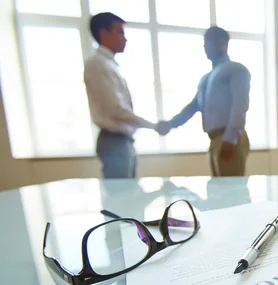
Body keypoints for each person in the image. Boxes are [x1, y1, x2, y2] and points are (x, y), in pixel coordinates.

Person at [157, 26, 251, 177]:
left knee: (232, 192)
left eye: (208, 43)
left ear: (222, 43)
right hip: (214, 140)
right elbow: (193, 107)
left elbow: (240, 105)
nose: (205, 47)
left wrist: (230, 139)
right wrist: (170, 124)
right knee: (218, 192)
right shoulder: (206, 78)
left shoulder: (236, 70)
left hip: (229, 137)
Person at [84, 12, 159, 179]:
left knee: (129, 195)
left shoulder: (109, 65)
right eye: (120, 32)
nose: (124, 39)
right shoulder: (98, 65)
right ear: (104, 33)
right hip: (113, 142)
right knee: (121, 198)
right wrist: (153, 126)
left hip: (122, 141)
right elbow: (116, 110)